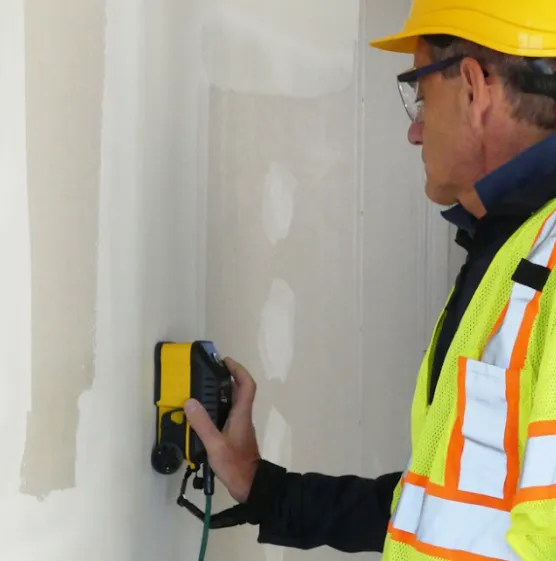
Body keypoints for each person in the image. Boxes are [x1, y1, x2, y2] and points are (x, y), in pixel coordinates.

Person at [184, 1, 556, 559]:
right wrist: (264, 488)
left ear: (475, 87)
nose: (413, 130)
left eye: (420, 94)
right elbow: (438, 511)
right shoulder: (512, 251)